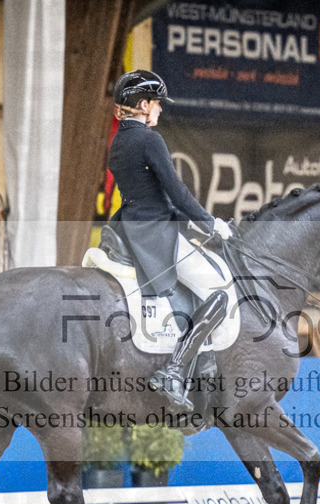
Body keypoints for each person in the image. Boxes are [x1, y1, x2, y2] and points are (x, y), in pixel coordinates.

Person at [107, 69, 233, 411]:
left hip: (129, 225)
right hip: (156, 230)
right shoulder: (150, 140)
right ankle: (175, 371)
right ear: (144, 104)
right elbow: (176, 193)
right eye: (157, 104)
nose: (160, 110)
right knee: (218, 289)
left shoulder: (119, 140)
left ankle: (201, 356)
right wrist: (210, 224)